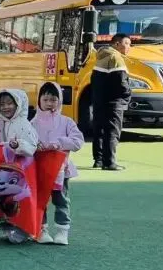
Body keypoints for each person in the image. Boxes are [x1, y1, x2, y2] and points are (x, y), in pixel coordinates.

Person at [31, 81, 84, 245]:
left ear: (59, 101)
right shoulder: (33, 123)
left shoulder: (67, 122)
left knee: (61, 200)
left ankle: (62, 231)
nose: (49, 103)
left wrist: (60, 143)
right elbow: (27, 141)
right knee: (41, 200)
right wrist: (35, 146)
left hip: (62, 169)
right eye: (45, 100)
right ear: (39, 100)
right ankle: (41, 230)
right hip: (40, 169)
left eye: (53, 100)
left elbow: (78, 142)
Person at [92, 32, 131, 171]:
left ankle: (99, 160)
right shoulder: (116, 58)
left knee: (100, 130)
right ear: (117, 44)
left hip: (99, 100)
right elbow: (121, 82)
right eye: (126, 43)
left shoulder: (101, 57)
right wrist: (127, 95)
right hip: (114, 101)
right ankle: (109, 162)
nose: (129, 47)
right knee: (113, 131)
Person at [0, 89, 37, 157]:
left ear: (18, 105)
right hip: (1, 161)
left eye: (9, 103)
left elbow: (31, 148)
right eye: (2, 104)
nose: (5, 107)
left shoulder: (23, 124)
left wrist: (18, 145)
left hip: (19, 162)